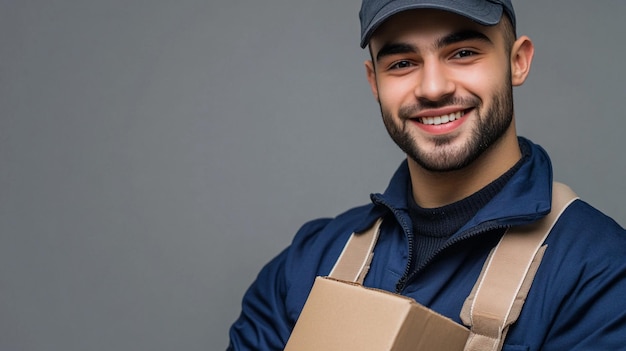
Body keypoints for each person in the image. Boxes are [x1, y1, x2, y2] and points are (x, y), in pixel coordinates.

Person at [227, 0, 626, 350]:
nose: (433, 88)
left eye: (463, 52)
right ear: (374, 82)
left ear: (517, 61)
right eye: (402, 63)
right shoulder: (308, 262)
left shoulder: (600, 273)